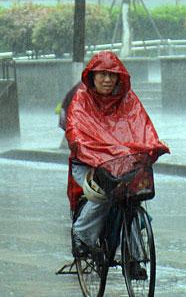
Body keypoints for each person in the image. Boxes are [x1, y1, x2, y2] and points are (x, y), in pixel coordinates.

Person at [65, 51, 169, 258]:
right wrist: (91, 153)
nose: (107, 79)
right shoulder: (81, 99)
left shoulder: (128, 99)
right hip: (87, 164)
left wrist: (152, 145)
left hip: (121, 163)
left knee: (131, 201)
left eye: (111, 75)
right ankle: (81, 235)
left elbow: (142, 125)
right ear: (92, 76)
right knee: (102, 194)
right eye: (102, 74)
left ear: (119, 78)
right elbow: (75, 130)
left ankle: (135, 257)